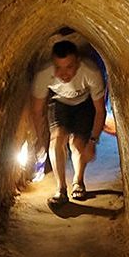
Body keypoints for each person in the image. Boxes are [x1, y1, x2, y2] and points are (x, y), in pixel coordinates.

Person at [31, 40, 106, 205]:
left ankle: (78, 182)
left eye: (69, 67)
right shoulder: (44, 74)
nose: (63, 74)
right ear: (53, 64)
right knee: (56, 139)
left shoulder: (90, 72)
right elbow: (37, 111)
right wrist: (41, 139)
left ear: (78, 63)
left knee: (78, 143)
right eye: (58, 67)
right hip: (59, 102)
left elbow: (100, 111)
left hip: (84, 103)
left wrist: (92, 141)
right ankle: (61, 189)